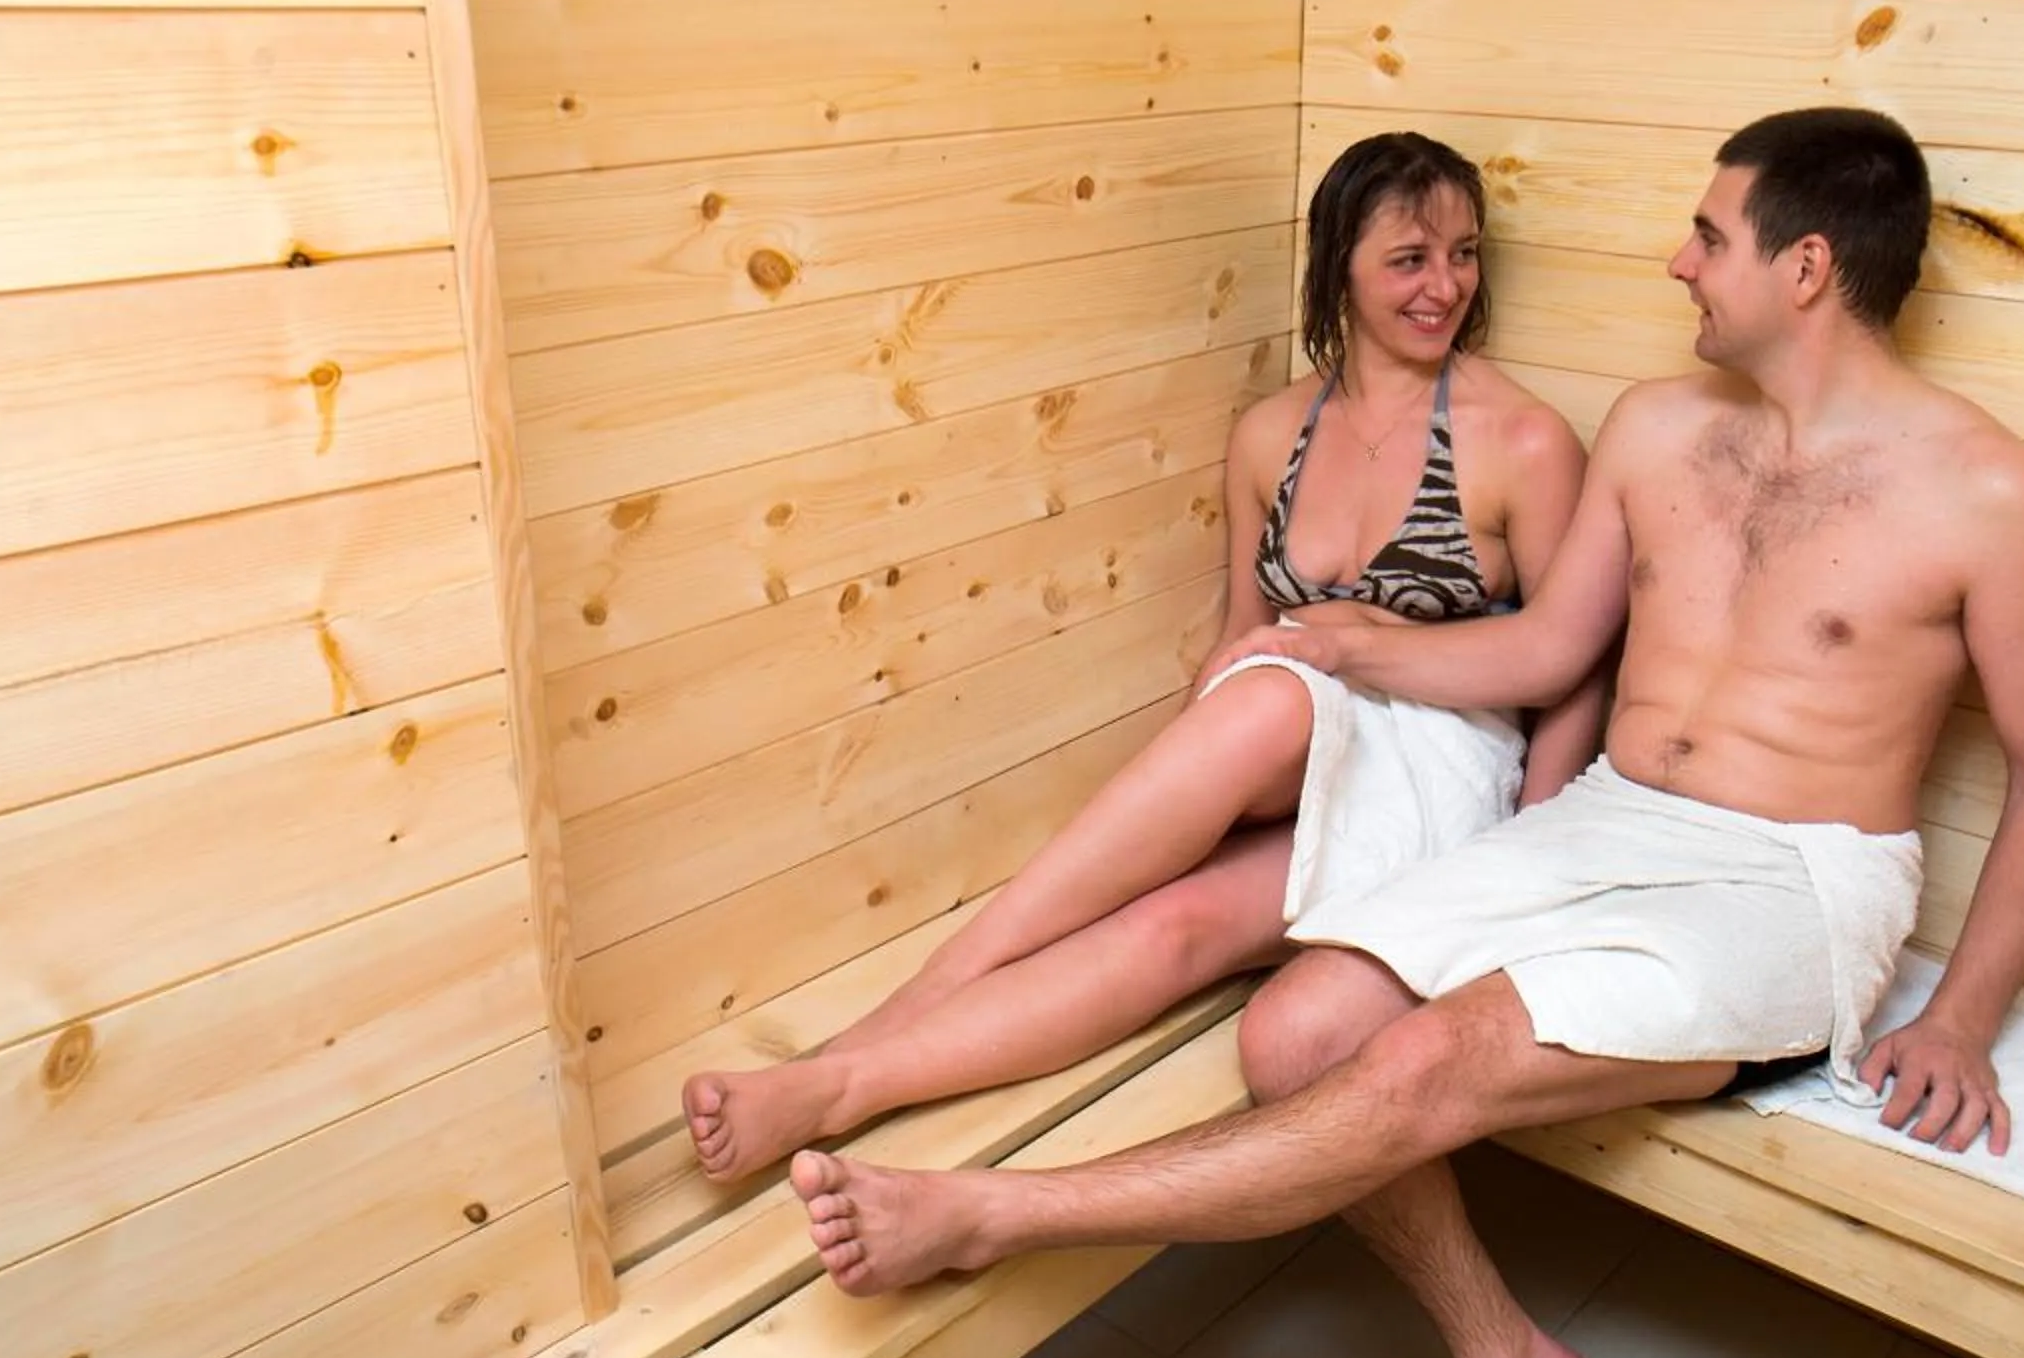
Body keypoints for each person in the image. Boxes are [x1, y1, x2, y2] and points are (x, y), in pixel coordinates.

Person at [782, 107, 2024, 1358]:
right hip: (1612, 817)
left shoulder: (1994, 497)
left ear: (1806, 267)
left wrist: (1966, 1016)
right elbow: (1549, 641)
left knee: (1422, 1060)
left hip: (1792, 879)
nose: (1677, 262)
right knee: (1296, 1031)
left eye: (1709, 236)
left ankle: (991, 1216)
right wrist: (1356, 651)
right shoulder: (1661, 430)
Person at [682, 133, 1605, 1184]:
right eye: (1410, 258)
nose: (1445, 286)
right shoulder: (1270, 435)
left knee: (1266, 704)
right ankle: (838, 1086)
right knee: (1175, 921)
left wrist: (1531, 843)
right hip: (1294, 740)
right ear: (1338, 261)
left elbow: (1564, 663)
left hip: (1442, 763)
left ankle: (879, 1028)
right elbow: (1240, 630)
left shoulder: (1521, 441)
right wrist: (1197, 757)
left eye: (1465, 255)